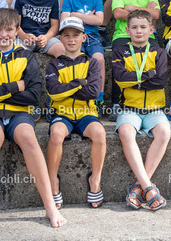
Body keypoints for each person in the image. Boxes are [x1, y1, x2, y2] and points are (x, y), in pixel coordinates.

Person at [0, 8, 66, 235]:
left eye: (9, 30)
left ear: (17, 30)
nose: (3, 35)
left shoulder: (25, 56)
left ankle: (50, 207)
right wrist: (14, 86)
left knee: (28, 136)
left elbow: (33, 96)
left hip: (19, 113)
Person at [112, 10, 170, 211]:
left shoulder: (159, 52)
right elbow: (119, 78)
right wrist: (147, 75)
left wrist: (135, 80)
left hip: (155, 109)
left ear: (151, 29)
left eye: (143, 27)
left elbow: (160, 81)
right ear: (127, 30)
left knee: (164, 133)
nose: (139, 31)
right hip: (130, 108)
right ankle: (149, 188)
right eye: (134, 27)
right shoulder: (120, 51)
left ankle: (138, 187)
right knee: (126, 132)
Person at [45, 17, 106, 209]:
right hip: (62, 113)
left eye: (76, 35)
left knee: (100, 133)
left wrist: (66, 88)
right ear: (60, 39)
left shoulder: (92, 63)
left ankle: (95, 180)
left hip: (86, 113)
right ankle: (53, 181)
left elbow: (93, 92)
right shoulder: (54, 64)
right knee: (56, 134)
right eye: (67, 35)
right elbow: (53, 91)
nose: (71, 39)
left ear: (84, 38)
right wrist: (80, 83)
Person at [109, 0, 160, 121]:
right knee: (119, 58)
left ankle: (150, 100)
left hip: (146, 35)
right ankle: (116, 103)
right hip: (123, 34)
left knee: (156, 56)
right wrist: (145, 11)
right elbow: (118, 13)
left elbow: (156, 15)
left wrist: (131, 8)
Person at [61, 0, 106, 113]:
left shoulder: (97, 0)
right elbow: (64, 20)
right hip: (73, 36)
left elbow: (99, 21)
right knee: (74, 58)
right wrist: (88, 18)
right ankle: (71, 92)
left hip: (92, 37)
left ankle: (99, 96)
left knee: (99, 58)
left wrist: (76, 15)